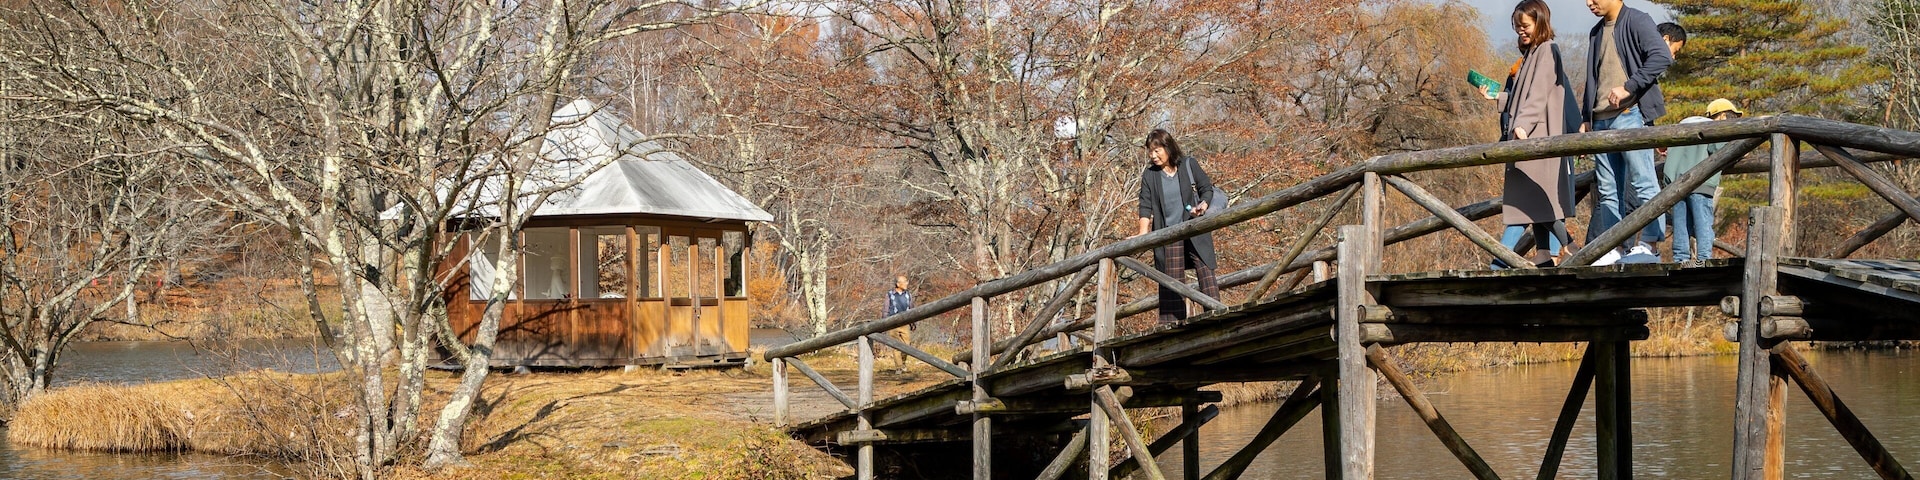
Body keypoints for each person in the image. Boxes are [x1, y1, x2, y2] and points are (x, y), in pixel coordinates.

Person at [1582, 0, 1674, 265]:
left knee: (1644, 182)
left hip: (1630, 115)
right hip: (1600, 121)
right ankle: (1615, 247)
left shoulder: (1637, 19)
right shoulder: (1596, 31)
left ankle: (1650, 245)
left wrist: (1629, 87)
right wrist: (1586, 116)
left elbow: (1662, 56)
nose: (1589, 3)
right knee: (1608, 189)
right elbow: (1593, 78)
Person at [1492, 0, 1577, 268]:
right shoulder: (1531, 53)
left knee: (1533, 198)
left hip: (1538, 134)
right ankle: (1545, 252)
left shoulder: (1548, 50)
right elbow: (1520, 96)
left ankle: (1569, 245)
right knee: (1534, 199)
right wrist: (1498, 97)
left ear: (1540, 22)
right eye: (1517, 27)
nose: (1521, 31)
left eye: (1525, 26)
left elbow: (1539, 93)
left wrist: (1523, 125)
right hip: (1529, 132)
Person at [1135, 129, 1220, 324]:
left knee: (1207, 275)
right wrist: (1142, 232)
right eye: (1150, 151)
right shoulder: (1150, 175)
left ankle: (1217, 319)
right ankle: (1172, 328)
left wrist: (1203, 205)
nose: (1153, 156)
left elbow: (1206, 189)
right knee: (1171, 284)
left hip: (1194, 229)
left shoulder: (1188, 164)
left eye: (1157, 150)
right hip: (1168, 234)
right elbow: (1145, 204)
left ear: (1168, 147)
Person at [1665, 99, 1743, 265]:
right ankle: (1704, 259)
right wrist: (1742, 152)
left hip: (1675, 186)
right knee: (1703, 224)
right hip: (1701, 183)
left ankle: (1680, 259)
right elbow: (1723, 152)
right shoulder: (1713, 129)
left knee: (1680, 225)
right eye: (1731, 117)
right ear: (1722, 116)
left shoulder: (1682, 128)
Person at [883, 275, 913, 371]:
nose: (907, 283)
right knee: (896, 346)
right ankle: (899, 367)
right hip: (893, 324)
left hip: (905, 323)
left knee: (907, 345)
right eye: (905, 281)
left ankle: (903, 363)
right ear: (898, 284)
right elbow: (886, 309)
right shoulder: (890, 294)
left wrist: (913, 322)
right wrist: (884, 323)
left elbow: (912, 308)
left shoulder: (908, 295)